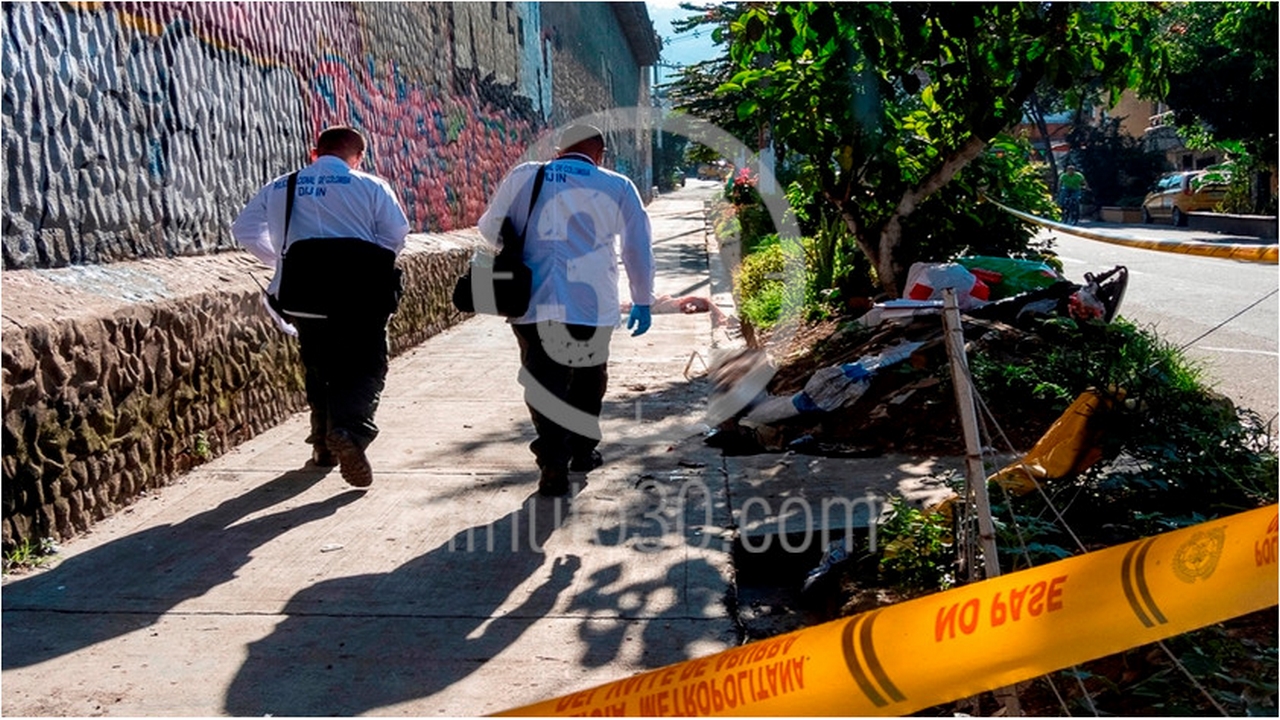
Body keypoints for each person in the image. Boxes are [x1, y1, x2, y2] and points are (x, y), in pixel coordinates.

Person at [479, 124, 655, 496]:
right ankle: (581, 450)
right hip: (592, 306)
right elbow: (636, 248)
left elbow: (489, 228)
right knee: (589, 379)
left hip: (533, 302)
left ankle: (552, 458)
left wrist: (521, 244)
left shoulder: (526, 176)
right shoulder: (618, 185)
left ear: (558, 150)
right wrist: (643, 298)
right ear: (599, 153)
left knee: (544, 382)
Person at [232, 126, 410, 488]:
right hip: (360, 300)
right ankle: (350, 432)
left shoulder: (282, 185)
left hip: (304, 297)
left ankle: (323, 448)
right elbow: (395, 237)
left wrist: (282, 262)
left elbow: (245, 230)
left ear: (314, 152)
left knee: (320, 369)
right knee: (366, 368)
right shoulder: (371, 185)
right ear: (358, 157)